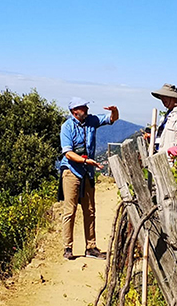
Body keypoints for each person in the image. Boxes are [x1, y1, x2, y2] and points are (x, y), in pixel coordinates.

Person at [59, 97, 118, 260]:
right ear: (74, 112)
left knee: (90, 210)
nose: (86, 109)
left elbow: (112, 119)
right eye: (82, 107)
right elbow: (68, 153)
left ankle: (91, 247)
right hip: (72, 171)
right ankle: (67, 248)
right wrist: (86, 161)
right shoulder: (67, 127)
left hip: (88, 172)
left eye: (85, 106)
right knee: (69, 211)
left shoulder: (92, 120)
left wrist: (114, 111)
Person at [150, 84, 177, 154]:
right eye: (162, 97)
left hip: (171, 158)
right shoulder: (168, 114)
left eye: (166, 97)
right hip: (161, 155)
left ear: (174, 98)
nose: (163, 100)